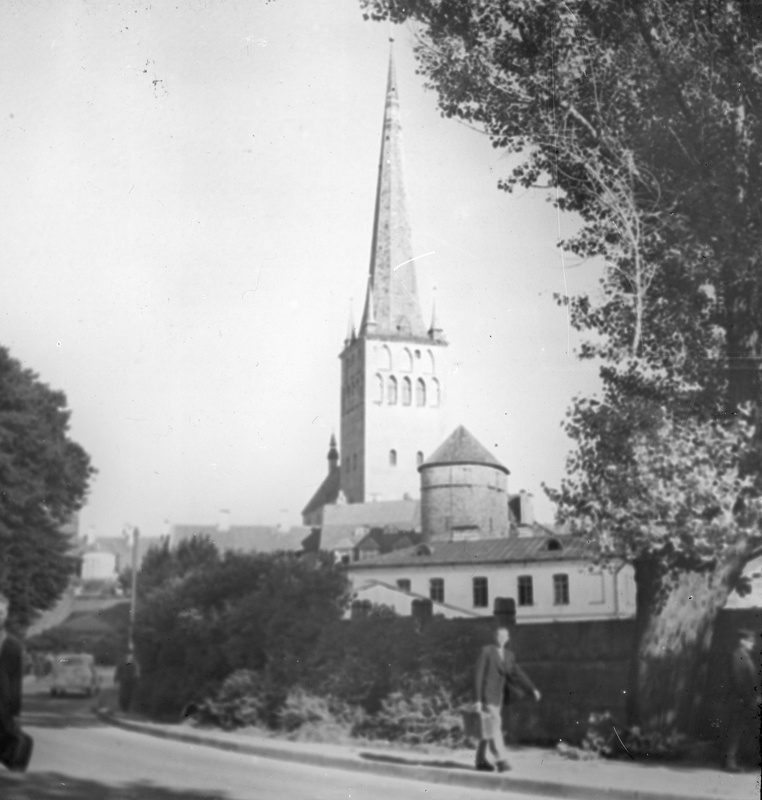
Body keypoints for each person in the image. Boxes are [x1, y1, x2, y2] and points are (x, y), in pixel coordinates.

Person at [474, 625, 540, 773]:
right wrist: (478, 699)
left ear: (508, 638)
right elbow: (478, 676)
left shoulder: (509, 655)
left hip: (499, 697)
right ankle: (501, 760)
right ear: (494, 636)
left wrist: (532, 689)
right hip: (487, 696)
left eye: (504, 636)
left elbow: (518, 674)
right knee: (494, 726)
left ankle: (480, 761)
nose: (501, 639)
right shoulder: (487, 651)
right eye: (499, 635)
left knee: (487, 728)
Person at [724, 628, 760, 772]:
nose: (753, 644)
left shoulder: (745, 656)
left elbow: (750, 680)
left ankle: (747, 760)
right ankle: (729, 763)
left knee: (747, 730)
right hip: (740, 700)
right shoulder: (738, 656)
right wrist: (750, 698)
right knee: (735, 731)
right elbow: (739, 681)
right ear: (742, 641)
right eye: (750, 641)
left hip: (747, 700)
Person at [0, 593, 23, 748]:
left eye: (0, 613)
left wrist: (15, 715)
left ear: (6, 614)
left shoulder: (13, 647)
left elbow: (16, 684)